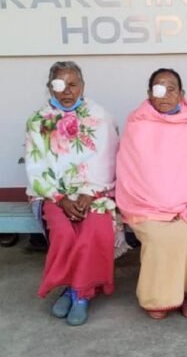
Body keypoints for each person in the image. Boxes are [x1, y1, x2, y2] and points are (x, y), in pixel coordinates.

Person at [116, 68, 187, 320]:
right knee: (161, 237)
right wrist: (163, 207)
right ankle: (159, 298)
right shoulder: (138, 125)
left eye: (171, 89)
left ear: (182, 94)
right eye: (158, 88)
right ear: (149, 94)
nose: (164, 94)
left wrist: (182, 207)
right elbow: (131, 173)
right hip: (147, 208)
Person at [24, 61, 120, 326]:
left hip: (95, 191)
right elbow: (36, 166)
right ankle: (78, 290)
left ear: (83, 86)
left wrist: (90, 192)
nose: (66, 91)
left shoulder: (100, 117)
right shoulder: (38, 121)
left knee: (94, 231)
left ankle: (78, 294)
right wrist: (60, 198)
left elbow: (108, 160)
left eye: (73, 84)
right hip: (53, 194)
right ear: (50, 88)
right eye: (59, 85)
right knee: (64, 234)